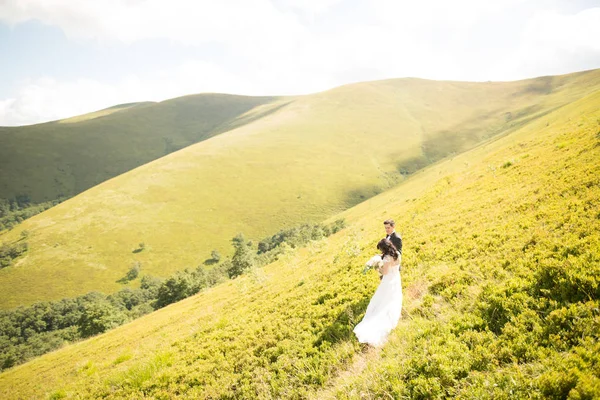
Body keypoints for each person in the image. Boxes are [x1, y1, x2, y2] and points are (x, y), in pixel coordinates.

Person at [353, 238, 403, 347]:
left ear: (384, 248)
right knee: (394, 297)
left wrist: (378, 267)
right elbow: (395, 265)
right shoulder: (397, 253)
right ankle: (393, 312)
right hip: (396, 278)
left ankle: (381, 317)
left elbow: (385, 272)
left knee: (381, 299)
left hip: (388, 280)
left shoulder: (386, 258)